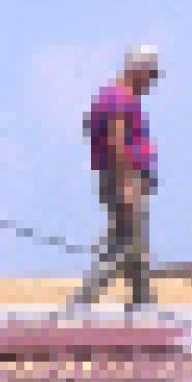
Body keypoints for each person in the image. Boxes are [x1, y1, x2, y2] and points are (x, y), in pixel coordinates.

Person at [61, 44, 160, 316]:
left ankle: (142, 299)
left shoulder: (108, 97)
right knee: (124, 243)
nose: (152, 82)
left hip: (117, 174)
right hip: (124, 176)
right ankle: (85, 298)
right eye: (151, 74)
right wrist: (125, 180)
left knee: (136, 242)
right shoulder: (121, 98)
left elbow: (90, 130)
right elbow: (117, 141)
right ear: (138, 70)